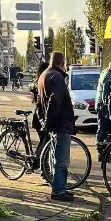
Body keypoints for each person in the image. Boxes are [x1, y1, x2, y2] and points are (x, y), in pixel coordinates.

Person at [38, 52, 76, 202]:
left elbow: (39, 102)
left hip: (54, 125)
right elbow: (56, 101)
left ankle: (59, 187)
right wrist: (49, 122)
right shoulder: (58, 77)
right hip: (60, 124)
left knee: (57, 158)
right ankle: (58, 191)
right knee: (62, 160)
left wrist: (44, 122)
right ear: (63, 62)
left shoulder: (44, 75)